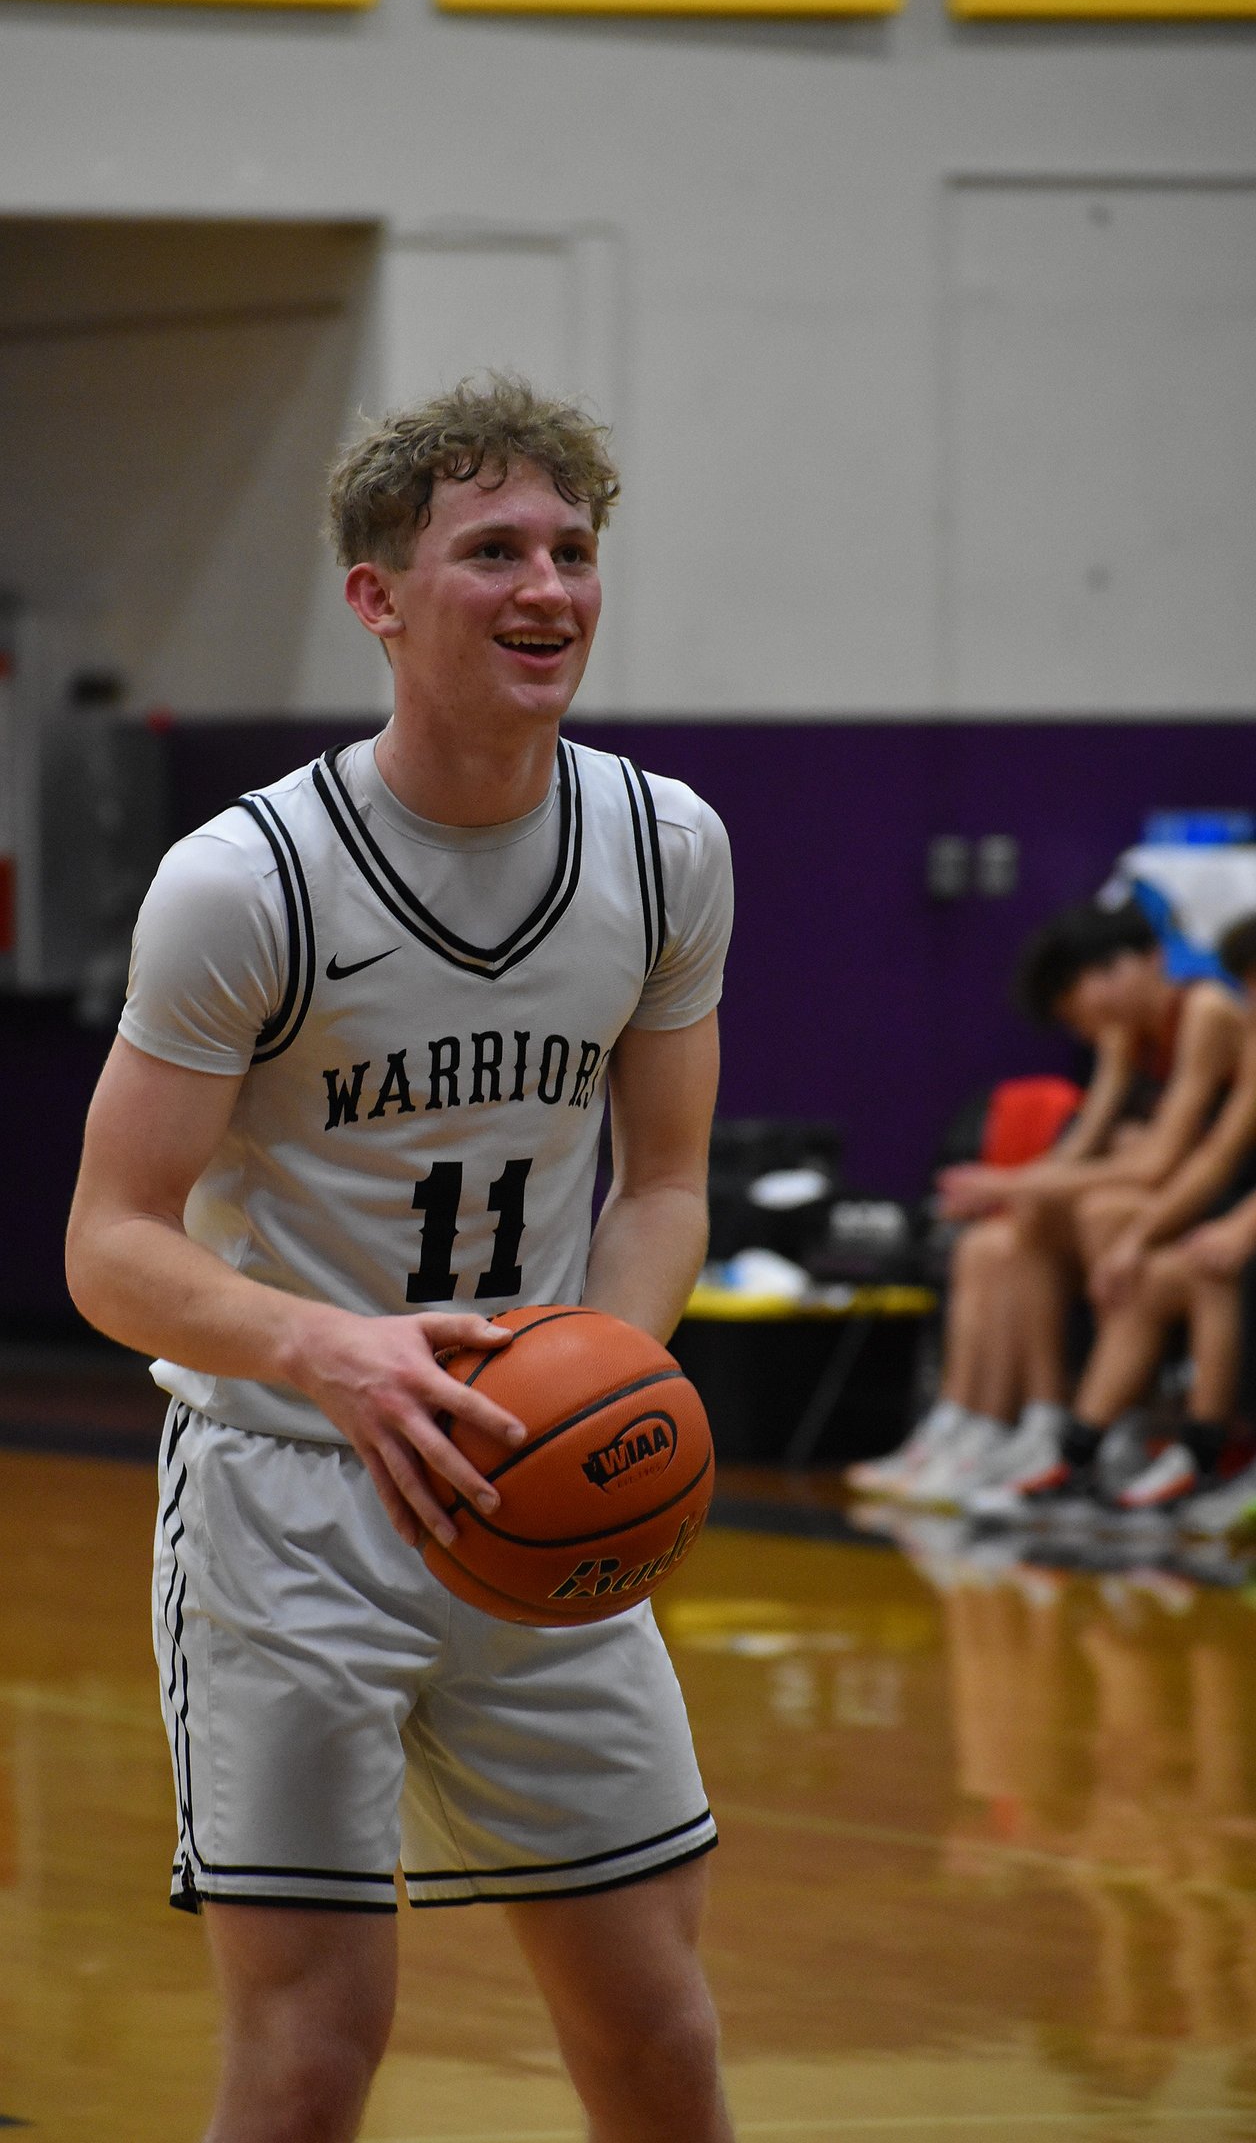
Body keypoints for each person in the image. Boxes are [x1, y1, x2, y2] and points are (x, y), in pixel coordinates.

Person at [65, 375, 736, 2143]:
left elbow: (666, 1184)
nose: (549, 589)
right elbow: (110, 1244)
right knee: (306, 2063)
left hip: (538, 1500)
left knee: (660, 2041)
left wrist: (597, 1386)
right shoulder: (248, 881)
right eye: (494, 550)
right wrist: (333, 1351)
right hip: (292, 1506)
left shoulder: (666, 849)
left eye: (573, 549)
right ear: (377, 596)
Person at [849, 899, 1245, 1512]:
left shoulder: (1206, 1011)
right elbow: (1082, 1145)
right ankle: (989, 1422)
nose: (1086, 1016)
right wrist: (1014, 1188)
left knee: (1096, 1212)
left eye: (1080, 995)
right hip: (1168, 1195)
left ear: (1133, 965)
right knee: (992, 1242)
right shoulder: (1124, 1034)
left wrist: (1010, 1185)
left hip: (1209, 1202)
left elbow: (1165, 1161)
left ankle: (1112, 1425)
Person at [1005, 911, 1256, 1518]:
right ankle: (1078, 1448)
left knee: (1190, 1259)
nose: (1249, 1006)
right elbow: (1215, 1155)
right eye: (1250, 987)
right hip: (1222, 1204)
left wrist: (1242, 1226)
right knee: (1143, 1272)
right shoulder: (1173, 1034)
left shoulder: (1205, 1012)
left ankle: (1200, 1452)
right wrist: (1138, 1240)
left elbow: (1168, 1160)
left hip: (1235, 1212)